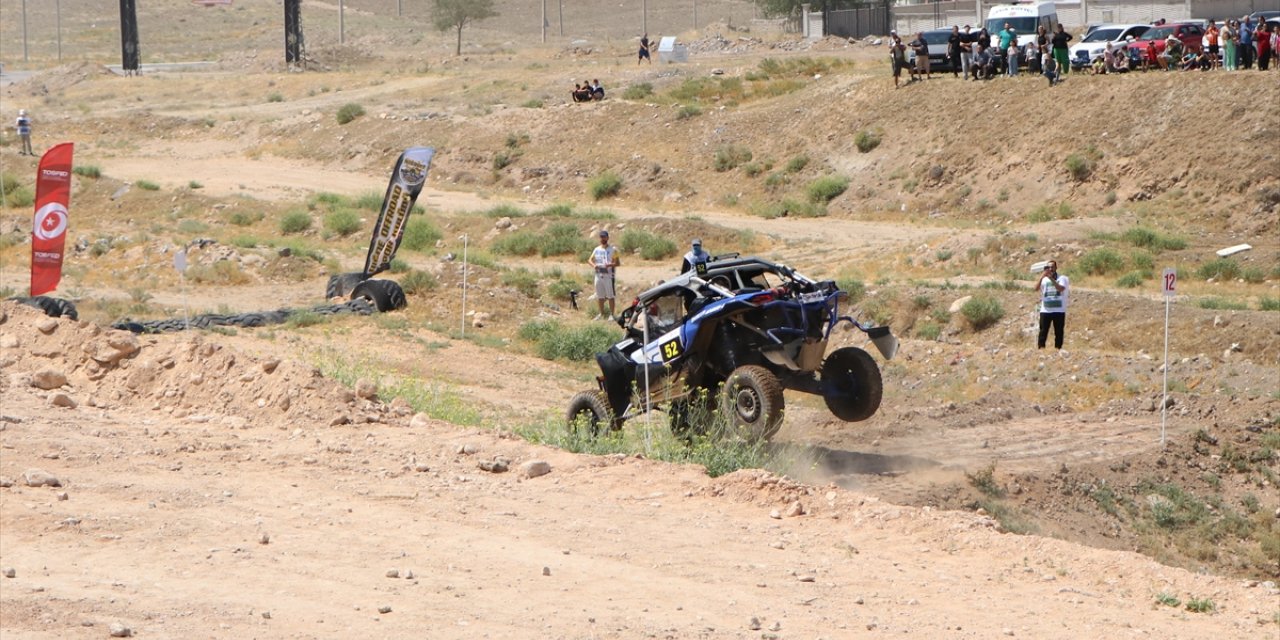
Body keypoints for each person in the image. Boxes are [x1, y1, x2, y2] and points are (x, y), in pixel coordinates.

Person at [1035, 260, 1069, 349]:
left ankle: (1058, 349)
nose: (1050, 269)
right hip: (1046, 310)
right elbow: (1036, 288)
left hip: (1059, 310)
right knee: (1043, 331)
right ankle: (1041, 348)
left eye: (1052, 267)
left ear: (1056, 268)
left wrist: (1051, 279)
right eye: (1048, 267)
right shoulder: (1044, 279)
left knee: (1059, 331)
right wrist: (1042, 276)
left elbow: (1060, 289)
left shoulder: (1062, 278)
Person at [587, 230, 620, 319]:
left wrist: (609, 265)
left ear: (607, 238)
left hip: (608, 275)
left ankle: (612, 314)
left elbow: (617, 263)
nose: (603, 239)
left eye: (604, 237)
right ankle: (601, 314)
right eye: (601, 237)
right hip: (598, 274)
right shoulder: (597, 249)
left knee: (610, 296)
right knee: (600, 295)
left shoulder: (613, 250)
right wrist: (594, 265)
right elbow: (590, 260)